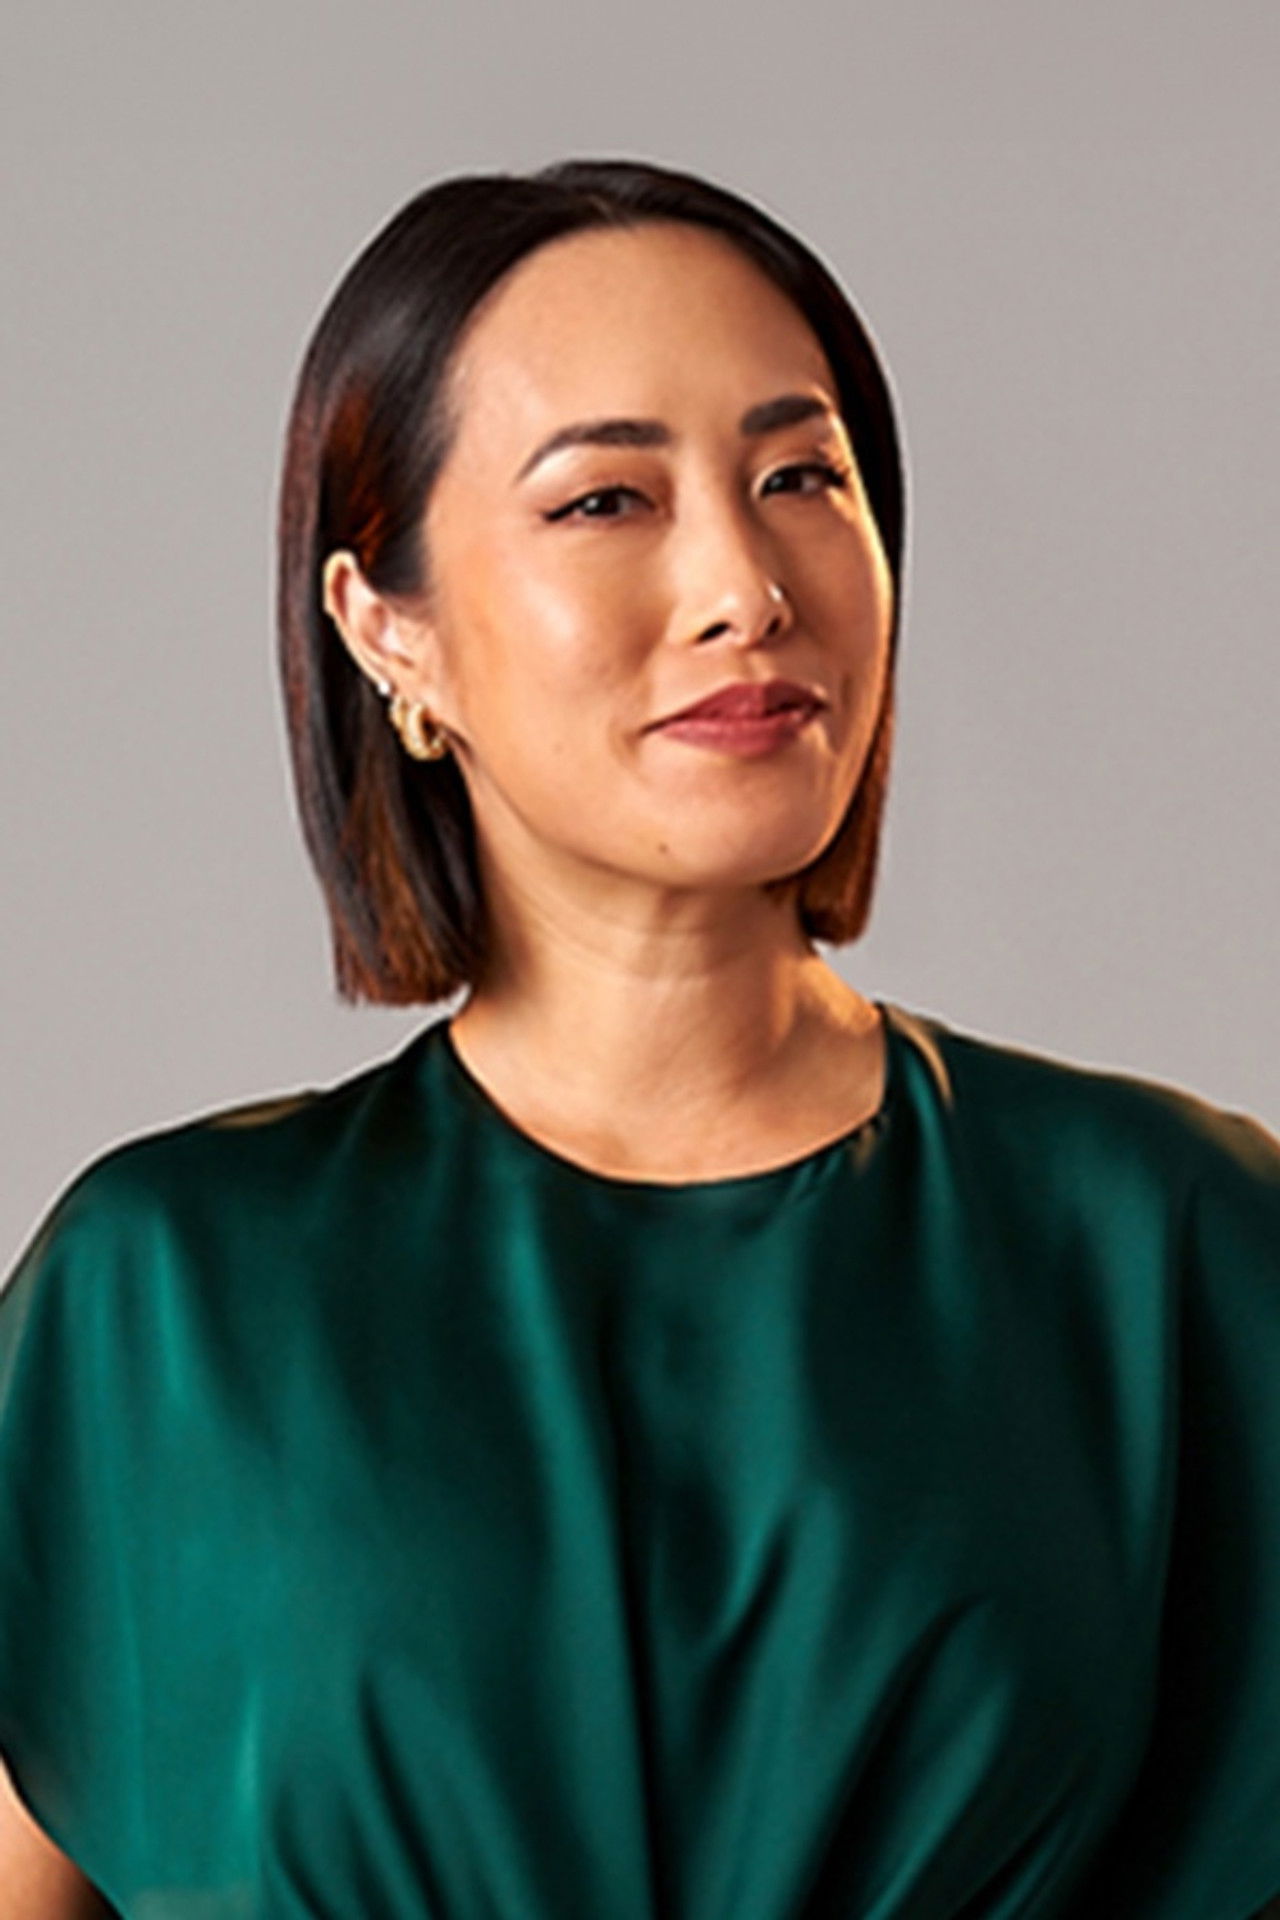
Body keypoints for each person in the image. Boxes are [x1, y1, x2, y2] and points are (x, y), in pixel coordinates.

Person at [0, 157, 1277, 1920]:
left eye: (801, 477)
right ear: (389, 631)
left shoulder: (1174, 1244)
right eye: (606, 499)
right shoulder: (163, 1304)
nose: (745, 585)